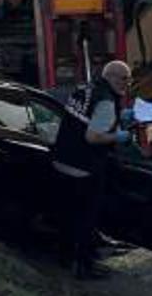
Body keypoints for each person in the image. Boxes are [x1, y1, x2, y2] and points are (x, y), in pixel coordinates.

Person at [50, 60, 138, 280]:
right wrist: (119, 136)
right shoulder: (106, 101)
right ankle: (84, 265)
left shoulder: (84, 89)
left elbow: (83, 118)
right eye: (124, 79)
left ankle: (64, 257)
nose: (127, 84)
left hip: (62, 160)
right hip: (84, 167)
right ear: (111, 77)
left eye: (129, 79)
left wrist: (118, 116)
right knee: (86, 217)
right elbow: (93, 136)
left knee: (66, 215)